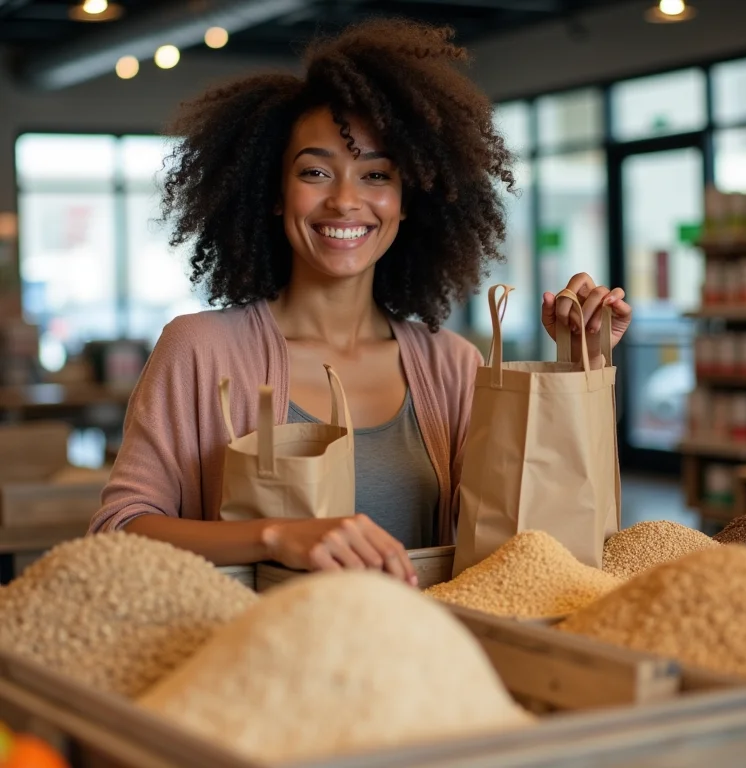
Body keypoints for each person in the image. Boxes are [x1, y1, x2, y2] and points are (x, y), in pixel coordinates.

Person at [89, 19, 632, 585]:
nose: (345, 201)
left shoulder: (451, 364)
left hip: (422, 641)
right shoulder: (201, 350)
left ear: (406, 200)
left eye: (376, 175)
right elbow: (118, 528)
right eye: (315, 172)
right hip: (258, 640)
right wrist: (275, 536)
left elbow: (529, 539)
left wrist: (580, 362)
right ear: (275, 193)